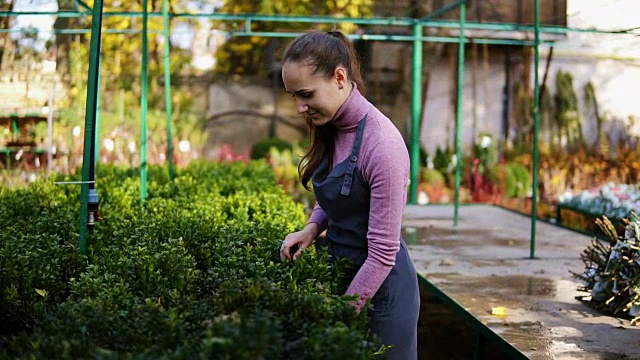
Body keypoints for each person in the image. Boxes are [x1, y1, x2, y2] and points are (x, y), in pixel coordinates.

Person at [279, 30, 420, 360]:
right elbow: (336, 192)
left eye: (306, 94)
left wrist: (342, 313)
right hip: (343, 275)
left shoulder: (382, 146)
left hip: (380, 293)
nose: (300, 107)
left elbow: (383, 254)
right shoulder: (332, 126)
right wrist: (312, 228)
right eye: (293, 96)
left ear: (339, 77)